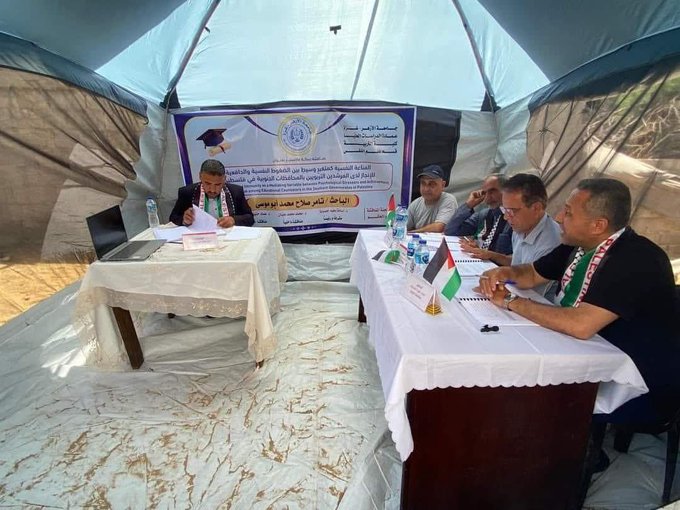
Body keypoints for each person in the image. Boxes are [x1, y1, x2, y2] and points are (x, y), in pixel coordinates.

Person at [478, 178, 679, 425]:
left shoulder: (637, 259)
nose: (560, 217)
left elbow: (580, 325)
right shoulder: (579, 245)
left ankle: (577, 453)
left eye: (569, 212)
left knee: (518, 391)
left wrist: (510, 300)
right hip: (590, 355)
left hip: (635, 381)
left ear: (598, 225)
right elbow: (531, 274)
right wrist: (503, 274)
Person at [461, 174, 562, 296]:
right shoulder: (522, 227)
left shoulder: (551, 244)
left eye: (511, 211)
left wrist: (500, 277)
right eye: (505, 210)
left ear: (536, 208)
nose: (505, 216)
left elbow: (527, 285)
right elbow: (518, 262)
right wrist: (490, 255)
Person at [170, 159, 254, 228]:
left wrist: (233, 220)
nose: (213, 190)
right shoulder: (187, 192)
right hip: (198, 239)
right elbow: (173, 217)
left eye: (218, 184)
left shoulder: (235, 192)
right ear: (200, 176)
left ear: (224, 179)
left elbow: (250, 218)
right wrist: (185, 219)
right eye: (207, 183)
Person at [444, 173, 512, 255]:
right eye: (484, 193)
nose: (487, 199)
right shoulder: (485, 214)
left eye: (492, 192)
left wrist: (482, 250)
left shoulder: (515, 219)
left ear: (507, 191)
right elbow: (450, 230)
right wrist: (469, 205)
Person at [406, 164, 458, 233]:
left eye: (432, 184)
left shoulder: (448, 200)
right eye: (423, 183)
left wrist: (411, 233)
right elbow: (403, 226)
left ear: (443, 185)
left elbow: (439, 227)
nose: (426, 189)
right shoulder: (415, 204)